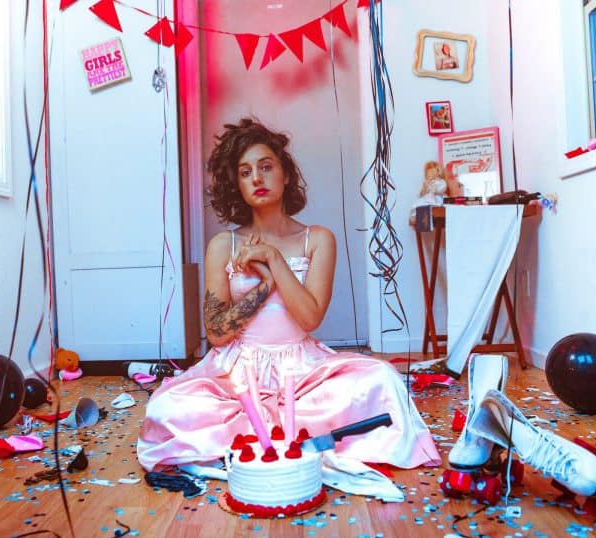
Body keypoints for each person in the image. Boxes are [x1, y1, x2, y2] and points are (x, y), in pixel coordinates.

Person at [137, 118, 440, 499]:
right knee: (166, 406)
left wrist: (274, 261)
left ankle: (268, 438)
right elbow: (216, 333)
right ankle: (270, 437)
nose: (257, 178)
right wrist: (262, 287)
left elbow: (310, 317)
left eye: (266, 166)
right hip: (236, 373)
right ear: (238, 185)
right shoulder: (223, 246)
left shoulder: (318, 239)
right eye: (245, 172)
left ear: (284, 174)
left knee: (383, 382)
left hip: (303, 371)